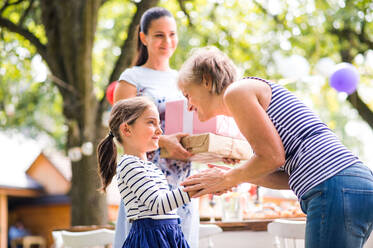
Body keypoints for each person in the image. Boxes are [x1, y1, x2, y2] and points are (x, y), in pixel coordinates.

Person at [178, 46, 373, 248]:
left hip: (333, 185)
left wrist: (228, 177)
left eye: (187, 95)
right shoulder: (249, 95)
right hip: (356, 183)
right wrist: (234, 176)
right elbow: (288, 175)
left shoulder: (236, 92)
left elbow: (272, 157)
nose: (188, 106)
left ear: (207, 81)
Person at [113, 7, 199, 248]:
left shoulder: (184, 79)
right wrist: (164, 141)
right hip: (146, 183)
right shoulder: (132, 77)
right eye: (159, 35)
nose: (167, 41)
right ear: (143, 38)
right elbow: (120, 129)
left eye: (172, 34)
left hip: (183, 179)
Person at [97, 97, 198, 247]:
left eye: (159, 123)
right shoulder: (129, 165)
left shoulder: (151, 167)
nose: (160, 130)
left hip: (169, 234)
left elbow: (168, 208)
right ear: (126, 129)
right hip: (150, 239)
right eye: (151, 122)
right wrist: (195, 188)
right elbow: (158, 204)